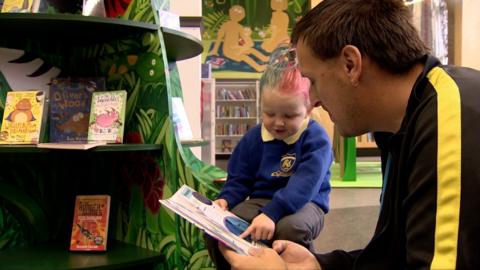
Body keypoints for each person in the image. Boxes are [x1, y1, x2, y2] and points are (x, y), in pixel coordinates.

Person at [218, 0, 480, 269]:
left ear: (350, 64)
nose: (312, 100)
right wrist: (323, 265)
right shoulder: (399, 127)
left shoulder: (448, 117)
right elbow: (395, 256)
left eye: (314, 81)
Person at [206, 45, 333, 269]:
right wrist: (226, 199)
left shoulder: (316, 138)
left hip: (305, 203)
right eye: (269, 113)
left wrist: (271, 214)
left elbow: (305, 184)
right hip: (261, 200)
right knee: (222, 225)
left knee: (290, 229)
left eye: (289, 115)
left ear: (309, 109)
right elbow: (239, 178)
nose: (278, 122)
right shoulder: (254, 137)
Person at [208, 5, 269, 72]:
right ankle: (258, 67)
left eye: (238, 15)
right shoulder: (225, 25)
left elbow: (246, 40)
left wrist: (247, 38)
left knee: (251, 50)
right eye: (235, 14)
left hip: (236, 47)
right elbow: (219, 38)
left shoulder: (239, 27)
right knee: (244, 57)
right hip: (228, 51)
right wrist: (214, 50)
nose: (236, 17)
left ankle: (264, 58)